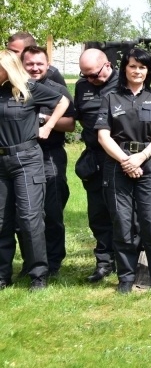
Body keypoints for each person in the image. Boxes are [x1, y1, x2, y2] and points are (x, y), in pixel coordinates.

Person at [95, 48, 151, 294]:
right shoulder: (110, 97)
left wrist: (140, 157)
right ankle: (126, 279)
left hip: (148, 163)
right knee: (123, 222)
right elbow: (102, 135)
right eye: (133, 66)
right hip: (118, 165)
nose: (137, 71)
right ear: (124, 69)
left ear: (148, 71)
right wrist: (125, 160)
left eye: (142, 67)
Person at [0, 50, 69, 290]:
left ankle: (38, 274)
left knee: (30, 219)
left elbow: (62, 102)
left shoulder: (28, 88)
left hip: (26, 160)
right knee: (2, 221)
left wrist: (48, 125)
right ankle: (2, 275)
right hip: (1, 163)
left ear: (8, 69)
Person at [20, 46, 76, 277]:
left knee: (51, 210)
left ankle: (53, 262)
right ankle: (30, 262)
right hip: (21, 157)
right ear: (22, 64)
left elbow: (71, 124)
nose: (34, 68)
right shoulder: (14, 89)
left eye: (39, 64)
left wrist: (44, 119)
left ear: (47, 64)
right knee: (24, 214)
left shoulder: (57, 90)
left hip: (49, 154)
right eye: (30, 64)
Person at [74, 48, 120, 282]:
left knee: (123, 212)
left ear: (108, 65)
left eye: (94, 74)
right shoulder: (82, 87)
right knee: (98, 213)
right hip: (94, 156)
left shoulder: (125, 82)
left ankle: (127, 260)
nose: (91, 80)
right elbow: (79, 116)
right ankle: (103, 261)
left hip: (120, 156)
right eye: (86, 76)